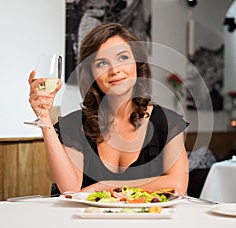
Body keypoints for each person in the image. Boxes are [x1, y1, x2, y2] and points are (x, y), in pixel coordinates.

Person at [28, 22, 189, 196]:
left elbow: (178, 186)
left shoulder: (167, 122)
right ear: (91, 75)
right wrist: (44, 118)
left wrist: (106, 186)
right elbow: (70, 189)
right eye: (102, 63)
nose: (115, 70)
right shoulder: (75, 125)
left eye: (123, 58)